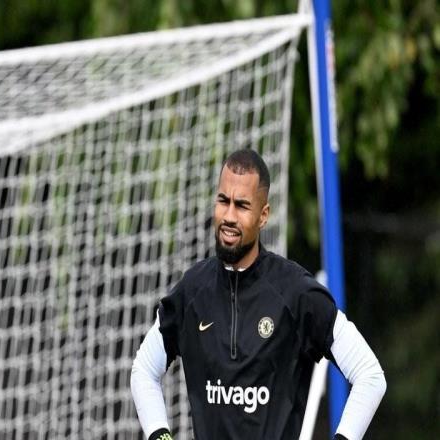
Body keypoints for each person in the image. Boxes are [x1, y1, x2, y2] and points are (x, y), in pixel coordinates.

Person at [131, 149, 386, 440]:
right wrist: (161, 436)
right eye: (223, 201)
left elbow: (369, 375)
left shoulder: (296, 292)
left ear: (263, 215)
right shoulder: (192, 290)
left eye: (242, 206)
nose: (229, 216)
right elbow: (144, 370)